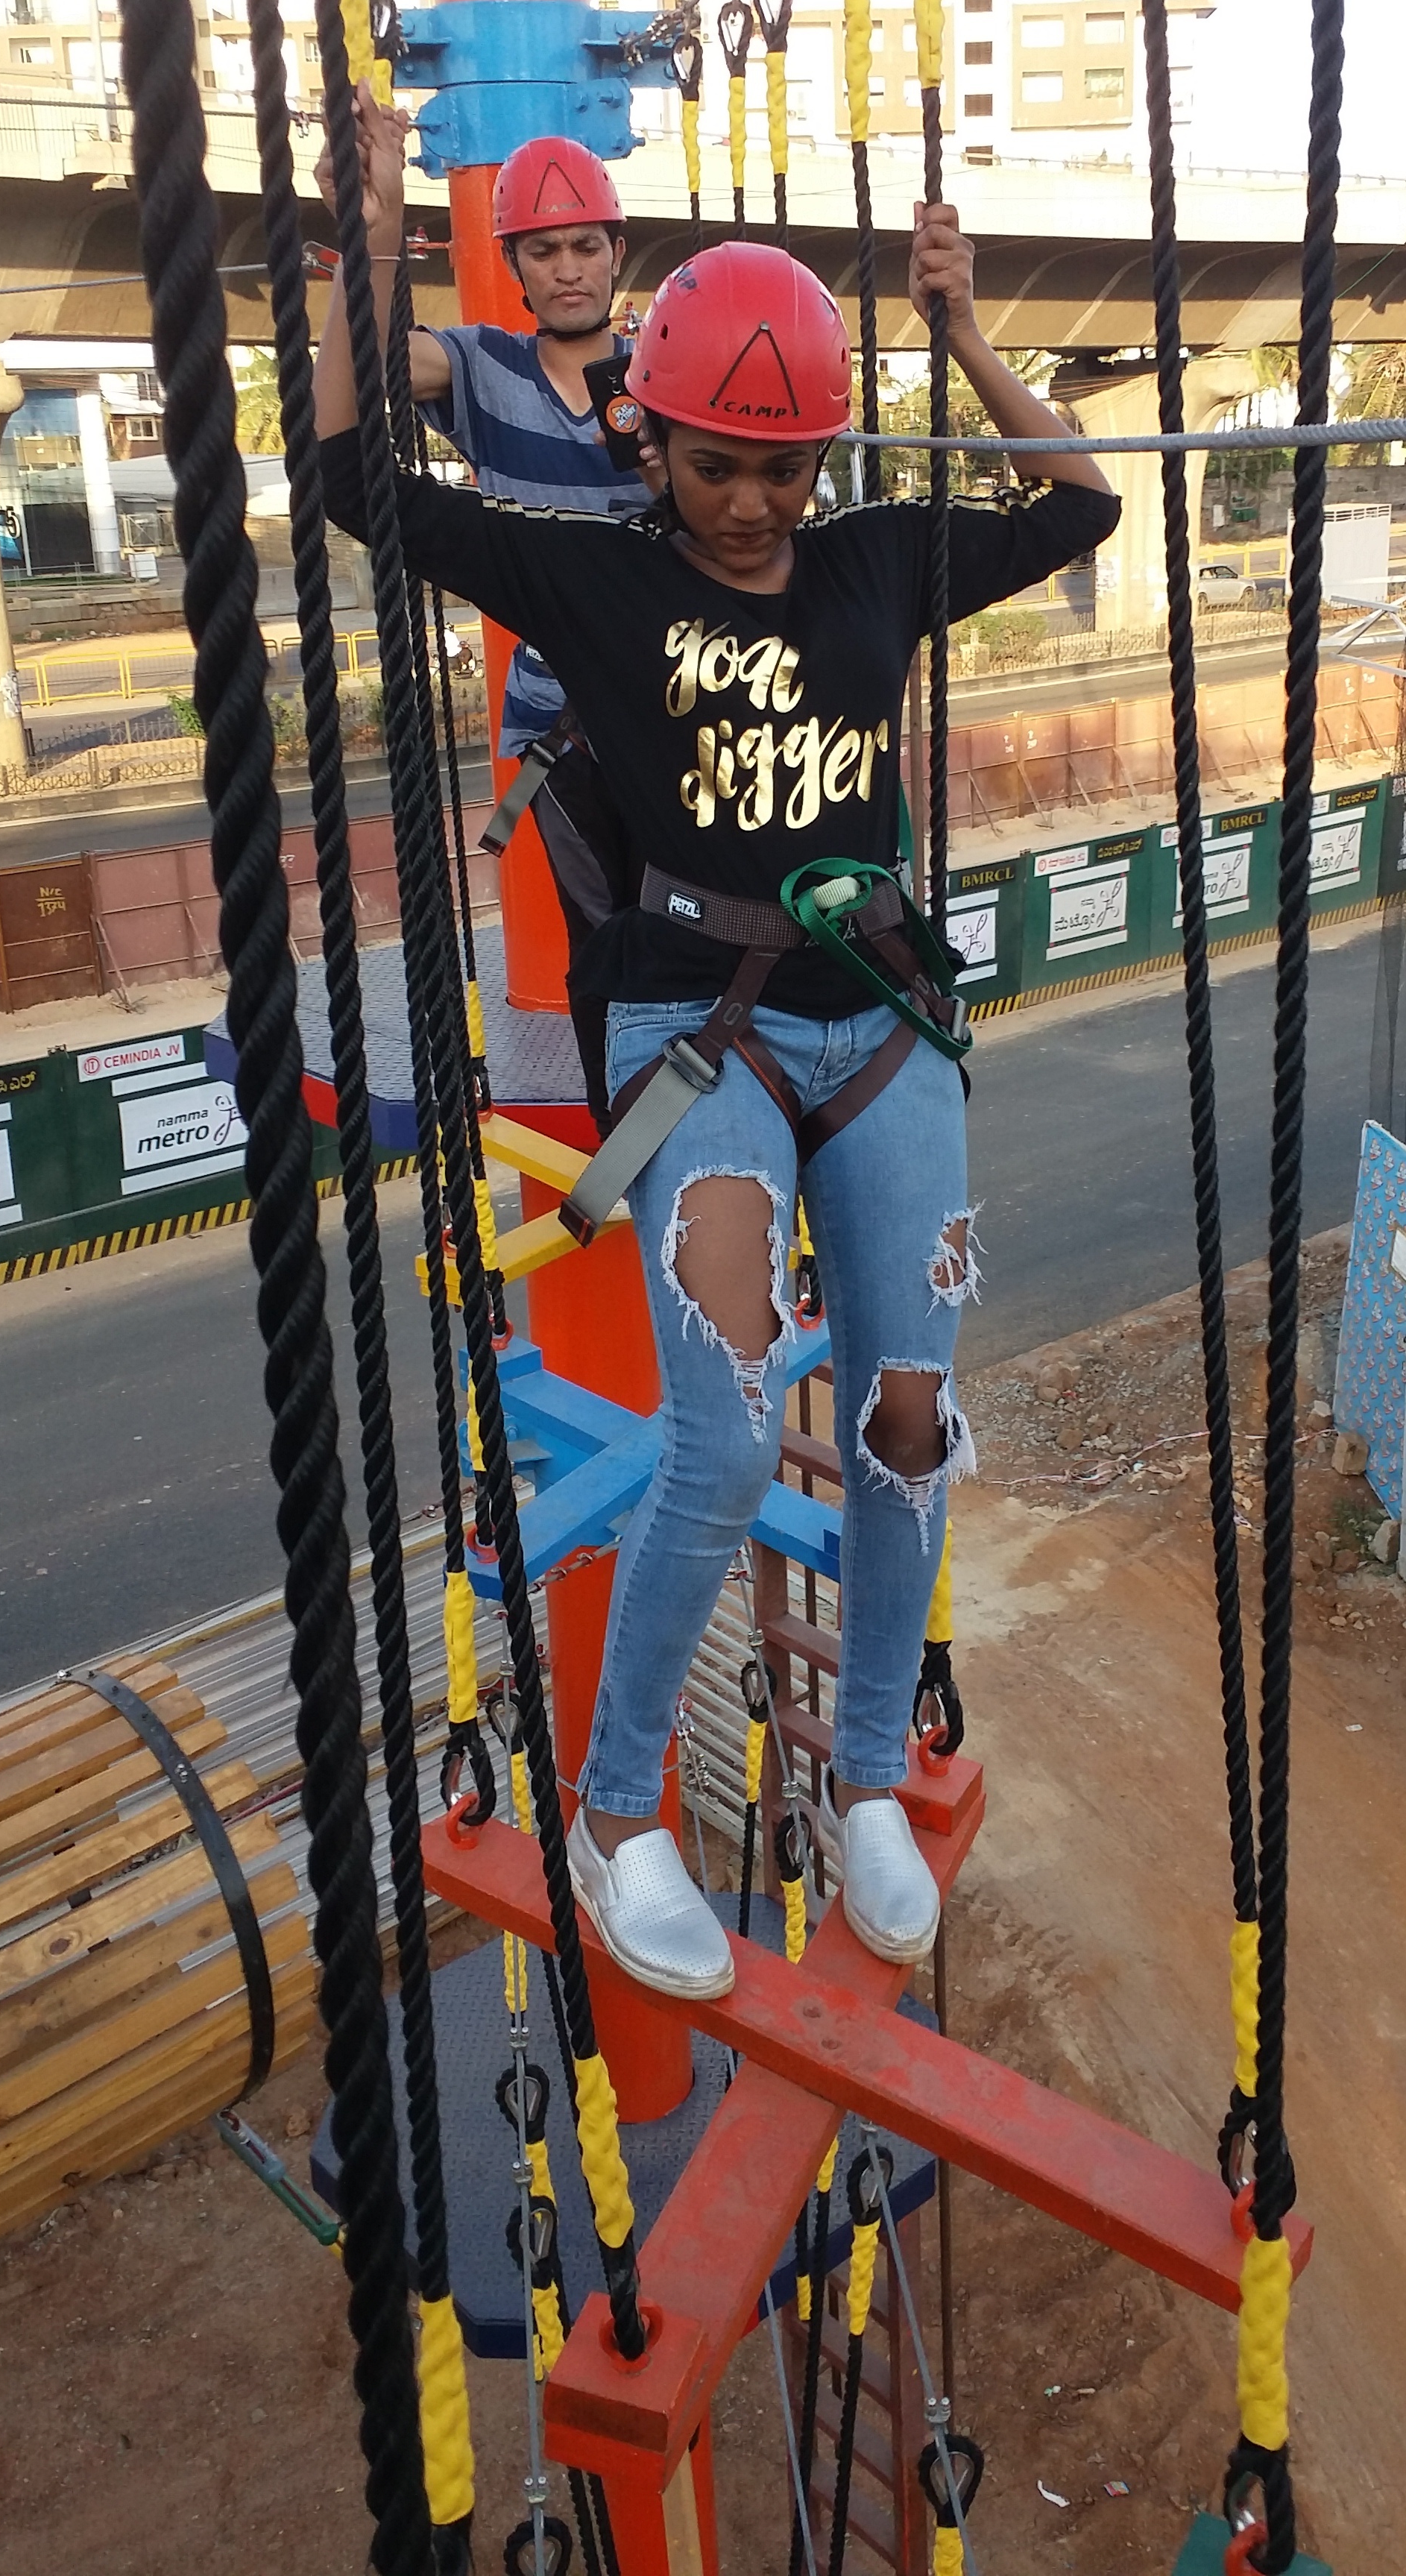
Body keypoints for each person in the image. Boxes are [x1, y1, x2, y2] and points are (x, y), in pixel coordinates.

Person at [317, 219, 1117, 2001]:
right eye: (712, 464)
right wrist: (366, 261)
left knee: (910, 1420)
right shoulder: (598, 583)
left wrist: (964, 331)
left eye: (779, 467)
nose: (749, 504)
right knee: (732, 1433)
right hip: (707, 1024)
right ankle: (615, 1817)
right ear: (645, 444)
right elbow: (349, 479)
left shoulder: (866, 566)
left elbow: (1076, 510)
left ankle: (859, 1776)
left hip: (881, 1019)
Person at [314, 91, 653, 1118]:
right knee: (605, 930)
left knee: (697, 912)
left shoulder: (664, 363)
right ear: (514, 267)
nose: (565, 269)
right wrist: (374, 230)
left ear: (612, 251)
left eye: (583, 246)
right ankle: (624, 1116)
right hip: (564, 719)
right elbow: (365, 373)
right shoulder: (479, 368)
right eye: (542, 251)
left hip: (676, 694)